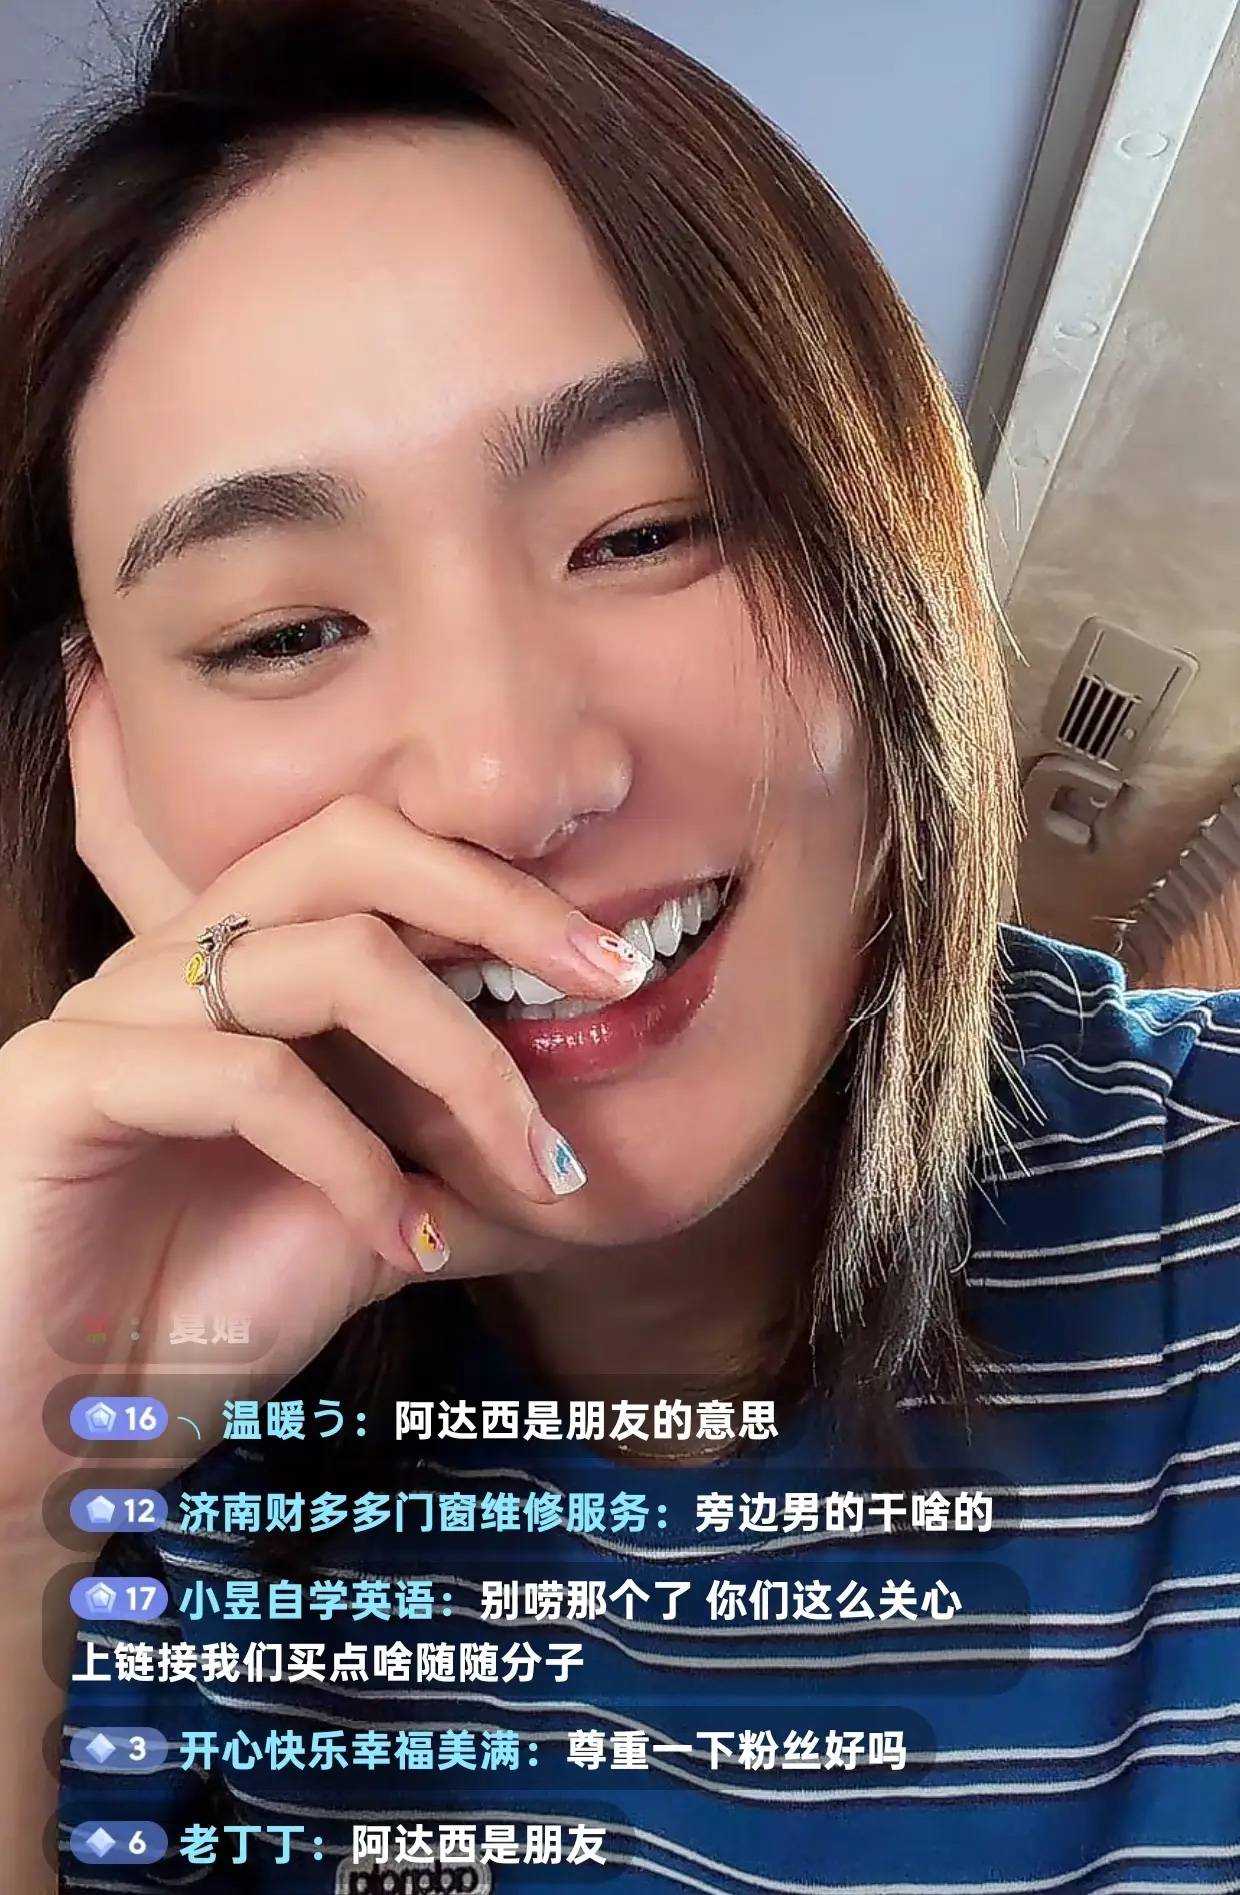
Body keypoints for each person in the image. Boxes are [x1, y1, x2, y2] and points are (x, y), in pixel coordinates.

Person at [0, 0, 1236, 1887]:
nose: (508, 781)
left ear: (887, 555)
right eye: (278, 635)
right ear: (104, 760)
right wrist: (21, 1506)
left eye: (650, 530)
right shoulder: (93, 1416)